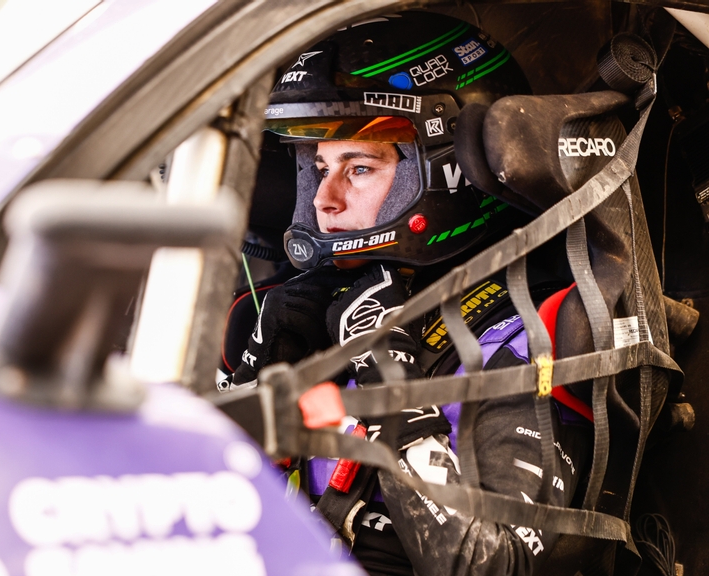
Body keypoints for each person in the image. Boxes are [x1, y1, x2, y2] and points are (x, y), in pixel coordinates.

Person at [220, 12, 594, 575]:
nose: (323, 199)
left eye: (359, 167)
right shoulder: (310, 313)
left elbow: (491, 564)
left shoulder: (525, 338)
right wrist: (254, 397)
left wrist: (392, 383)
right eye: (318, 167)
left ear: (451, 171)